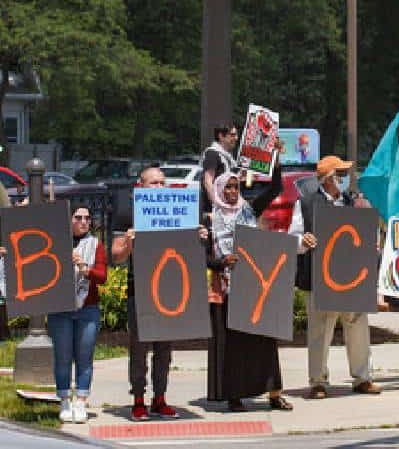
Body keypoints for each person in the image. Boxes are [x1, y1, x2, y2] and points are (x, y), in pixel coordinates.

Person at [111, 166, 209, 420]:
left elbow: (194, 251)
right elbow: (116, 256)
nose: (159, 187)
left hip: (169, 291)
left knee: (164, 350)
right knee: (139, 349)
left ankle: (160, 398)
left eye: (162, 182)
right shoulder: (128, 212)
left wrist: (200, 237)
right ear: (140, 186)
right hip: (139, 290)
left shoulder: (178, 212)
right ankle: (138, 400)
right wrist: (129, 241)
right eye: (153, 183)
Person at [207, 157, 299, 411]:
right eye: (228, 187)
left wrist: (276, 162)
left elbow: (275, 188)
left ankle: (274, 393)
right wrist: (221, 262)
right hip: (228, 288)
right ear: (219, 189)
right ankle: (235, 396)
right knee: (236, 345)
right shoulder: (211, 219)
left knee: (266, 341)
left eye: (236, 187)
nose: (233, 192)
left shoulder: (249, 210)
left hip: (257, 286)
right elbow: (204, 258)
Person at [296, 155, 381, 398]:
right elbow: (294, 236)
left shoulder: (353, 203)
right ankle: (318, 382)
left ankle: (362, 377)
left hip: (351, 277)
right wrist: (303, 240)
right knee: (320, 330)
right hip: (320, 277)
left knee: (357, 326)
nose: (345, 179)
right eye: (340, 174)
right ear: (328, 178)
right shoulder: (306, 203)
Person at [45, 205, 108, 423]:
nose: (84, 221)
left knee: (84, 357)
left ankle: (81, 401)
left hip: (87, 308)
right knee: (62, 357)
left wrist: (85, 268)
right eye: (78, 217)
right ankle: (64, 400)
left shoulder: (95, 244)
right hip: (60, 308)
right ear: (69, 220)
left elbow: (102, 276)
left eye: (87, 218)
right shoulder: (54, 242)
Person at [201, 123, 239, 218]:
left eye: (236, 135)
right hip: (214, 212)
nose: (236, 138)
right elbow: (208, 182)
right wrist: (218, 206)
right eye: (232, 135)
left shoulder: (228, 157)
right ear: (221, 136)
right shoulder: (212, 153)